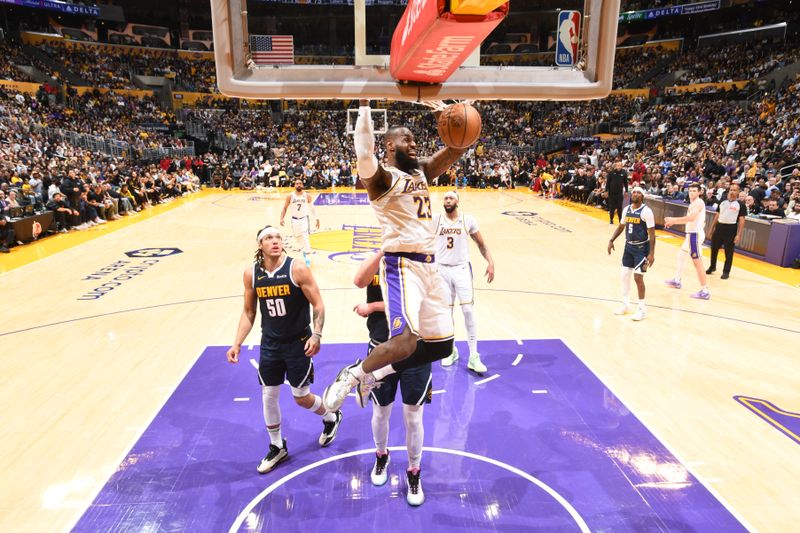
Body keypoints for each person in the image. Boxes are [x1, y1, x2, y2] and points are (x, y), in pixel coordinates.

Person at [322, 100, 466, 412]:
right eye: (406, 140)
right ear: (389, 145)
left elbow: (456, 150)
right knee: (405, 341)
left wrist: (460, 116)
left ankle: (376, 375)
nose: (414, 144)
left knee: (442, 345)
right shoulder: (382, 179)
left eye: (415, 140)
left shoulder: (423, 171)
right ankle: (353, 375)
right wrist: (363, 109)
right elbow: (363, 152)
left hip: (431, 266)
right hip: (402, 265)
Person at [226, 225, 342, 474]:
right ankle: (277, 445)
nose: (275, 241)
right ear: (260, 245)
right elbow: (249, 312)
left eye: (278, 237)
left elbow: (318, 305)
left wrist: (317, 335)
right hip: (270, 344)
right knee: (269, 394)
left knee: (301, 398)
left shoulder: (297, 268)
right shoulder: (252, 274)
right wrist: (236, 343)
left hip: (298, 342)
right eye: (269, 238)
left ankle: (331, 415)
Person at [353, 251, 430, 506]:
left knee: (413, 416)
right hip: (380, 348)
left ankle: (414, 471)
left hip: (416, 349)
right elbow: (359, 280)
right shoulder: (378, 258)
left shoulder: (419, 261)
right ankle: (381, 455)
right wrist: (381, 251)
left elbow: (417, 304)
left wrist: (373, 307)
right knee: (380, 412)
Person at [434, 191, 495, 372]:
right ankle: (450, 350)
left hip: (461, 269)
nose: (448, 200)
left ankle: (473, 356)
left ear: (457, 202)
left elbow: (481, 245)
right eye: (445, 198)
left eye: (451, 198)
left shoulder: (468, 220)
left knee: (468, 310)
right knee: (446, 313)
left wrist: (490, 262)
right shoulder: (435, 220)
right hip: (441, 270)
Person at [607, 186, 656, 321]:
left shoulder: (647, 212)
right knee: (624, 276)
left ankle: (642, 309)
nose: (634, 194)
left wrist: (651, 253)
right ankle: (626, 305)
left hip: (642, 249)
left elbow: (652, 235)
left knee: (638, 278)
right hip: (628, 247)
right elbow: (621, 227)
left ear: (642, 196)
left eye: (638, 192)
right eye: (633, 192)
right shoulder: (626, 210)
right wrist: (611, 240)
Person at [664, 183, 710, 299]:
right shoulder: (693, 203)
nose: (692, 192)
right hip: (691, 235)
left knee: (697, 263)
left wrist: (673, 220)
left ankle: (704, 290)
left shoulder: (698, 202)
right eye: (690, 190)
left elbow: (691, 218)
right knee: (681, 256)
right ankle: (677, 280)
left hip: (694, 236)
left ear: (700, 192)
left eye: (694, 191)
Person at [706, 184, 746, 280]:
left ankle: (726, 271)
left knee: (728, 252)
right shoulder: (722, 201)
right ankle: (712, 267)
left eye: (734, 190)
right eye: (731, 190)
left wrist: (738, 234)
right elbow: (717, 215)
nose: (732, 191)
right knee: (714, 248)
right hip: (719, 227)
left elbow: (742, 220)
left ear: (738, 192)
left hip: (731, 229)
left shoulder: (740, 204)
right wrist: (711, 229)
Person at [280, 178, 319, 267]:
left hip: (304, 219)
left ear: (302, 185)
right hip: (294, 220)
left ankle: (308, 256)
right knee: (298, 237)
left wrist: (317, 219)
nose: (298, 185)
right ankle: (304, 250)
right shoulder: (290, 196)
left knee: (305, 235)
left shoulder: (307, 196)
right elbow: (285, 208)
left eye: (300, 183)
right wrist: (281, 218)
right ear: (294, 185)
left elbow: (312, 208)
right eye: (297, 183)